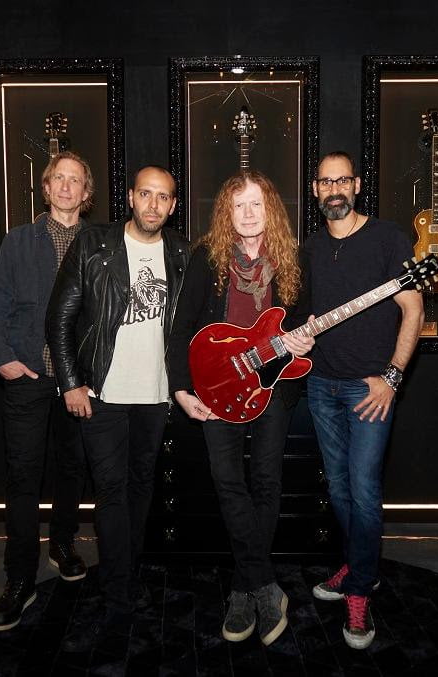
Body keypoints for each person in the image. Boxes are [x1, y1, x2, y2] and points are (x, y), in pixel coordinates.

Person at [46, 165, 189, 651]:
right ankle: (118, 597)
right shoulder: (94, 244)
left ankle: (127, 575)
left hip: (154, 395)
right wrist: (71, 384)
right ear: (130, 196)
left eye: (163, 197)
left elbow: (189, 324)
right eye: (145, 194)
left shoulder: (182, 252)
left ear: (172, 205)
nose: (153, 204)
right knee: (111, 492)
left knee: (141, 489)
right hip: (103, 395)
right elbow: (59, 318)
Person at [169, 171, 314, 646]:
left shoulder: (293, 260)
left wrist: (303, 339)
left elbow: (302, 330)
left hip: (272, 387)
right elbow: (181, 328)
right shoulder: (206, 260)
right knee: (227, 480)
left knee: (266, 481)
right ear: (225, 213)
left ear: (270, 208)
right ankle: (263, 585)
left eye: (256, 204)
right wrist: (182, 389)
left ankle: (243, 586)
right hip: (217, 387)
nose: (248, 215)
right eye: (238, 206)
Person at [300, 151, 424, 650]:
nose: (335, 189)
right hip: (320, 386)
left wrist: (391, 378)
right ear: (315, 190)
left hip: (369, 388)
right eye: (326, 181)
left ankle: (359, 591)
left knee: (365, 491)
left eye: (343, 180)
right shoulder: (308, 248)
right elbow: (302, 316)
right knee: (340, 491)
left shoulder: (389, 238)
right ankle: (359, 562)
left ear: (356, 185)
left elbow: (412, 311)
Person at [0, 151, 94, 631]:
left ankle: (64, 544)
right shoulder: (18, 241)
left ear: (87, 193)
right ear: (46, 189)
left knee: (71, 471)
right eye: (58, 179)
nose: (67, 187)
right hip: (27, 379)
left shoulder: (100, 243)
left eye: (76, 180)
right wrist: (4, 360)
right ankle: (19, 579)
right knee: (24, 479)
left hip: (80, 382)